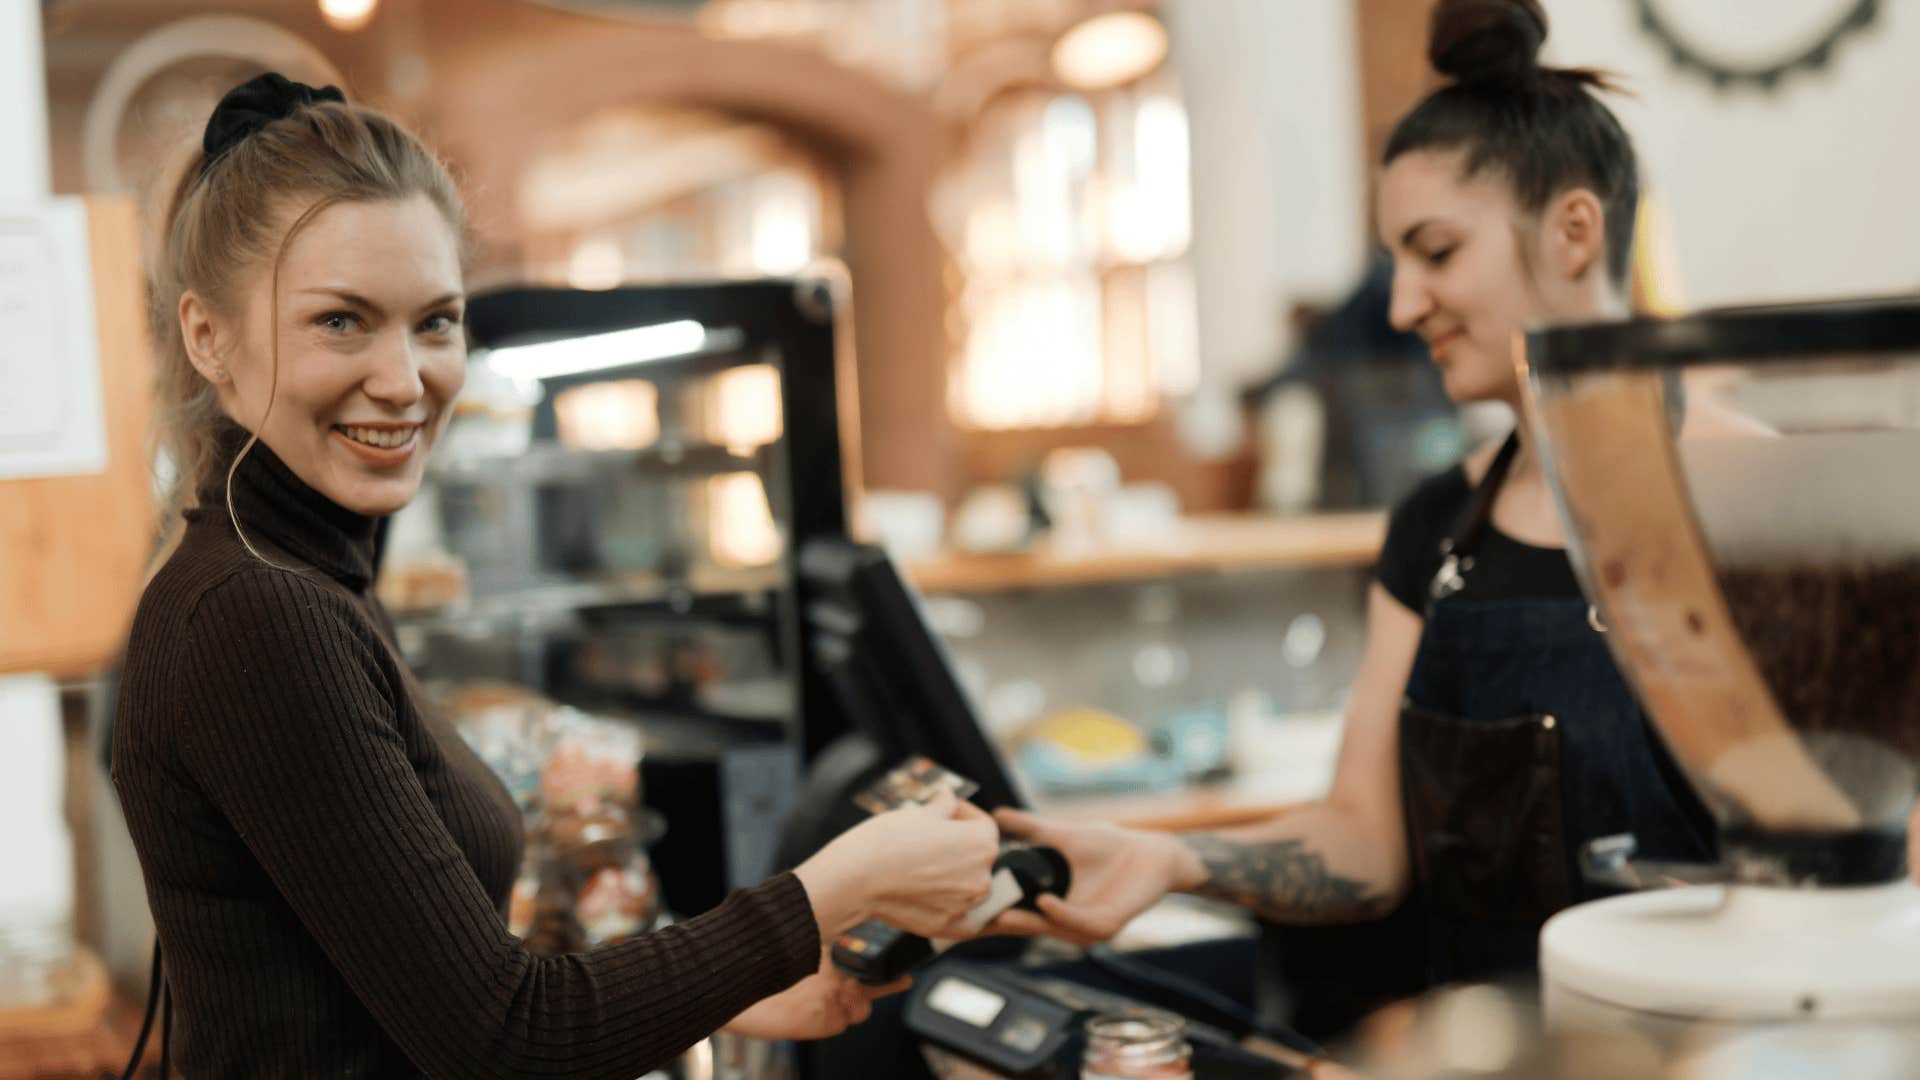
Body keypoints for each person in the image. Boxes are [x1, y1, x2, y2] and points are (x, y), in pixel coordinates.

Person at [112, 72, 1000, 1079]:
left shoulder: (308, 575)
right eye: (342, 322)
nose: (406, 381)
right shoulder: (260, 615)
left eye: (436, 321)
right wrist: (837, 886)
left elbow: (424, 983)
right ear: (207, 335)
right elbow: (511, 1040)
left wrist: (734, 987)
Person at [986, 0, 1719, 990]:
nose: (1405, 302)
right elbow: (1365, 846)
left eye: (1438, 251)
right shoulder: (1434, 531)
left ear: (1573, 231)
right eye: (1397, 262)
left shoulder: (1758, 506)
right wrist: (1172, 858)